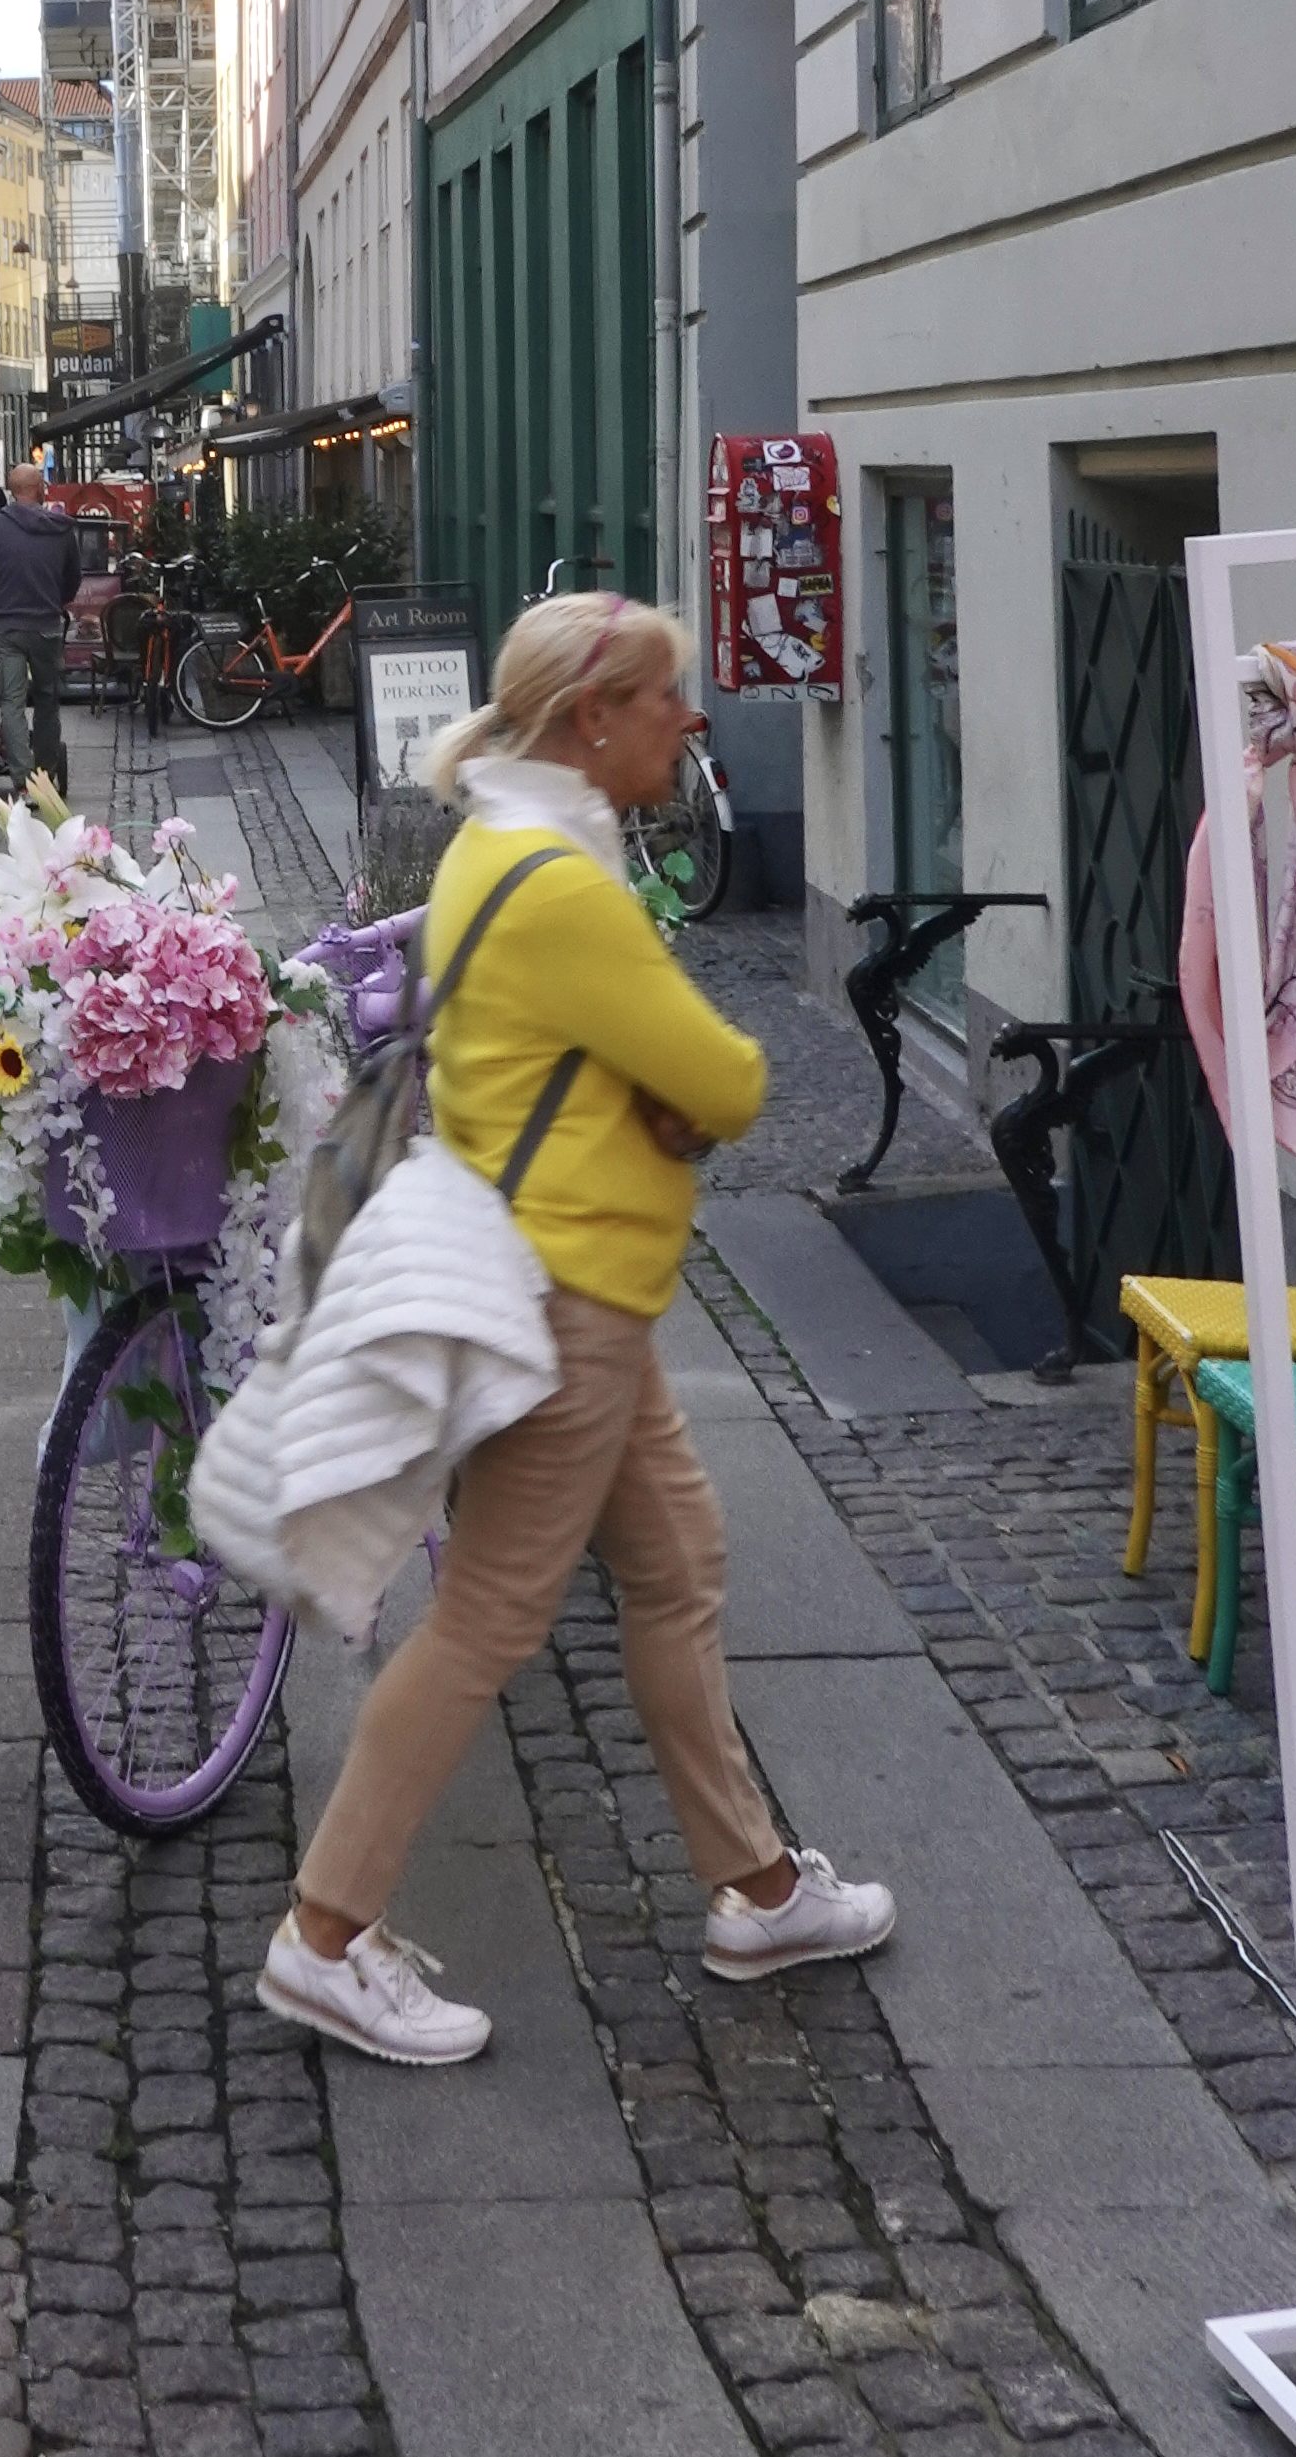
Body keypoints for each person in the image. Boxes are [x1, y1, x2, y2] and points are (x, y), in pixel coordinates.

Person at [263, 591, 897, 2065]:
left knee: (678, 1568)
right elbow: (729, 1079)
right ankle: (325, 1935)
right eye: (666, 693)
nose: (690, 715)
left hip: (571, 1278)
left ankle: (757, 1889)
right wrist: (671, 1091)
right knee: (489, 1616)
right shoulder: (561, 881)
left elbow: (557, 1058)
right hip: (565, 1298)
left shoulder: (497, 841)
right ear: (592, 718)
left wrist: (645, 1087)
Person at [0, 456, 81, 790]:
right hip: (47, 625)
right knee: (48, 701)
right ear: (40, 489)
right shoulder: (61, 530)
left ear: (12, 490)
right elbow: (72, 580)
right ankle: (45, 776)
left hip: (7, 627)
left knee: (12, 703)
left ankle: (22, 781)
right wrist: (54, 601)